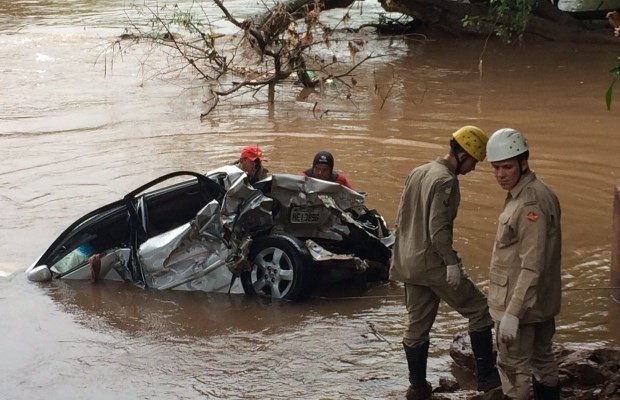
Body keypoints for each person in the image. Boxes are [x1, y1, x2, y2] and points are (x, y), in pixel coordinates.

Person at [390, 126, 501, 400]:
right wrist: (451, 262)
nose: (473, 168)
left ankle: (417, 388)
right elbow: (438, 229)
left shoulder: (419, 171)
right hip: (433, 263)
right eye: (473, 161)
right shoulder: (446, 181)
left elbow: (402, 219)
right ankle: (487, 379)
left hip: (408, 262)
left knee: (416, 327)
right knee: (479, 310)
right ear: (462, 154)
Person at [486, 128, 562, 400]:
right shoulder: (535, 193)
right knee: (543, 361)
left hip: (520, 305)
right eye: (495, 168)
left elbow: (532, 264)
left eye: (507, 167)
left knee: (513, 370)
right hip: (539, 302)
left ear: (524, 163)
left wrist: (512, 313)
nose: (500, 174)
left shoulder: (529, 203)